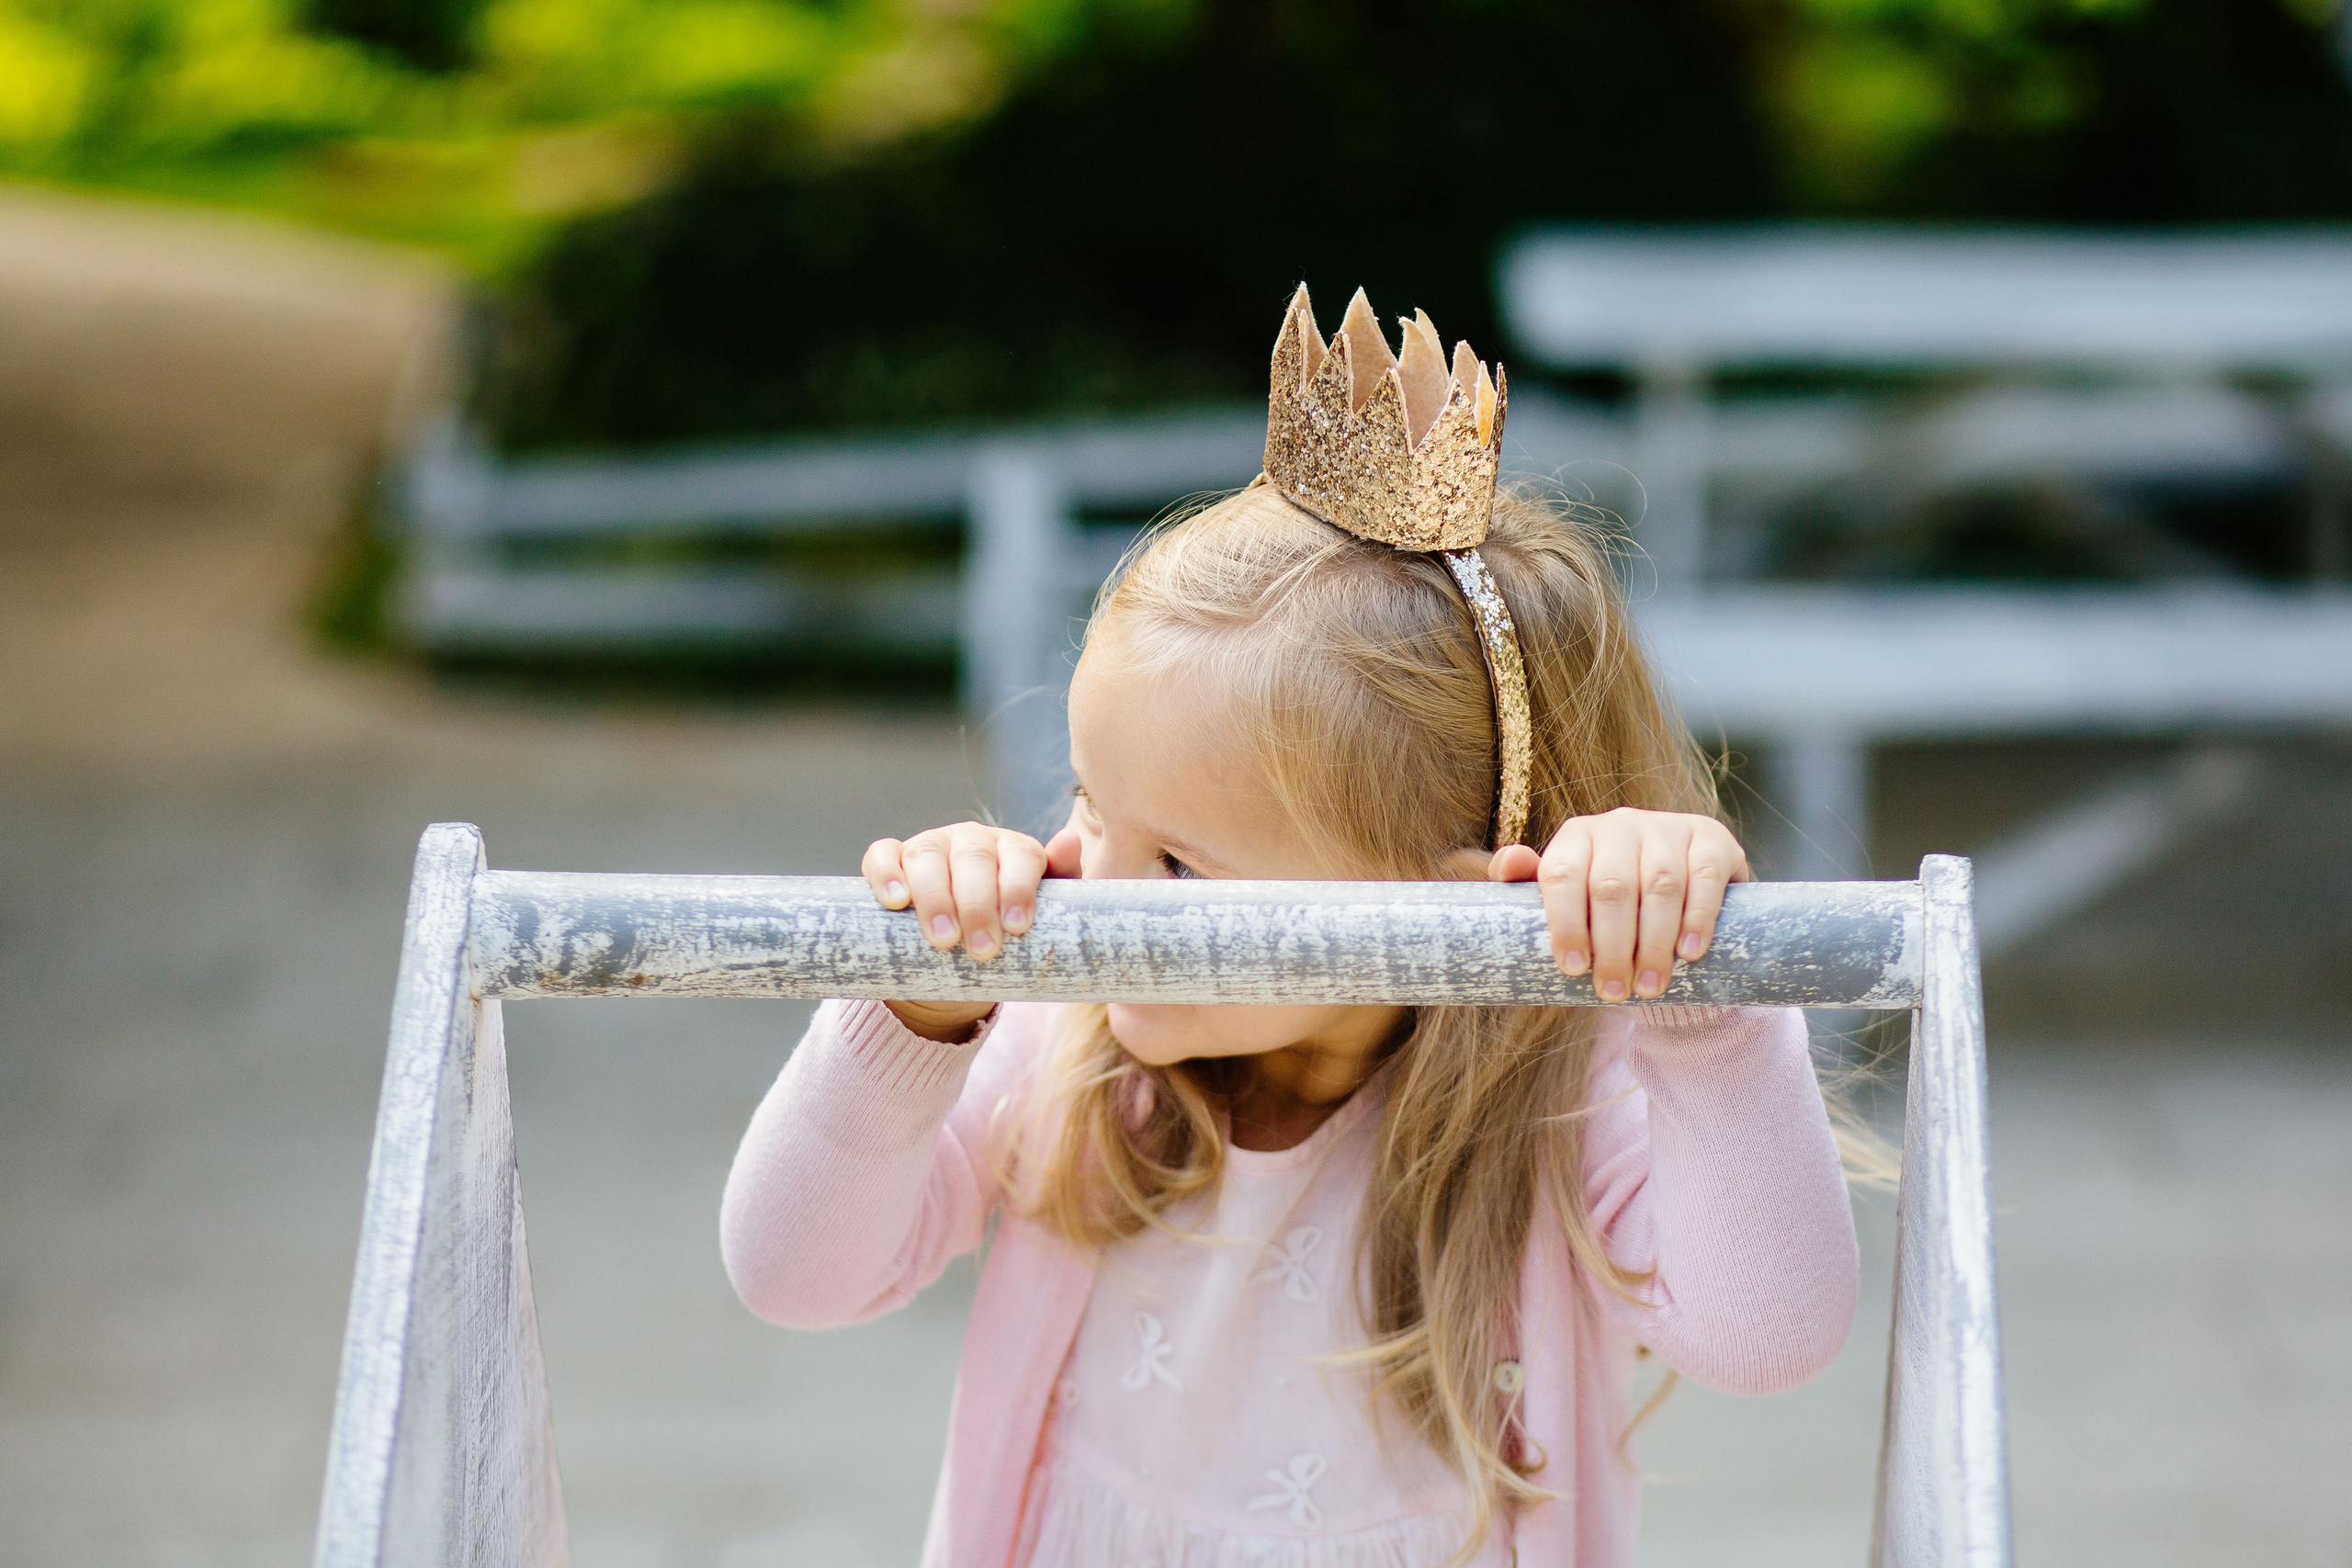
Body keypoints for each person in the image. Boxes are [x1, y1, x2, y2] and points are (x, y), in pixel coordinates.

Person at [721, 286, 1860, 1568]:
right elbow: (791, 1273)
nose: (1098, 893)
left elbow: (1772, 1337)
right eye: (1096, 810)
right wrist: (910, 1011)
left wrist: (1693, 993)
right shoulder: (1066, 1043)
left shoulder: (1552, 1096)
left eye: (1182, 870)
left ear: (1451, 896)